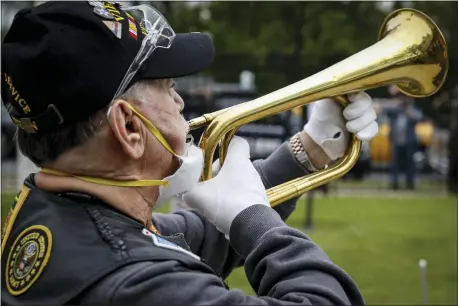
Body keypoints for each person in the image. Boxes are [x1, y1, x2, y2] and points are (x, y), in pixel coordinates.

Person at [1, 2, 378, 305]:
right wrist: (255, 218)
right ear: (129, 128)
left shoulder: (56, 215)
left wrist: (310, 148)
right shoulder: (138, 283)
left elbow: (197, 236)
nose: (181, 102)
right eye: (168, 87)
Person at [386, 85, 423, 190]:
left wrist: (407, 108)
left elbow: (418, 117)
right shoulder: (394, 109)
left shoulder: (412, 109)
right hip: (396, 140)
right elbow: (384, 107)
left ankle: (410, 183)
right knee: (394, 164)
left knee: (409, 163)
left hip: (409, 141)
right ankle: (394, 183)